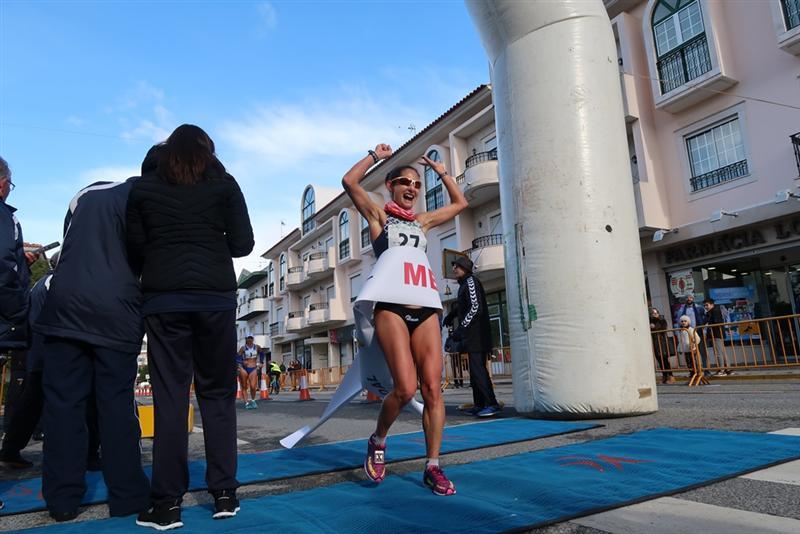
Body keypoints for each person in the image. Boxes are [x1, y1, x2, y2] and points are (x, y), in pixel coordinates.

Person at [127, 125, 254, 529]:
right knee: (217, 395)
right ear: (207, 152)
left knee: (170, 397)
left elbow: (135, 246)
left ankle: (166, 504)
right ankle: (224, 493)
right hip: (214, 298)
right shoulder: (225, 184)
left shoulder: (143, 189)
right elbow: (243, 244)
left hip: (164, 300)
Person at [342, 143, 467, 496]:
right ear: (391, 187)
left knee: (432, 390)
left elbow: (461, 205)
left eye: (415, 184)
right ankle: (378, 439)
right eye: (405, 183)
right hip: (391, 306)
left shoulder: (423, 222)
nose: (412, 188)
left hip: (424, 304)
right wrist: (374, 156)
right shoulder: (379, 217)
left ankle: (433, 466)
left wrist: (440, 172)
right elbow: (349, 182)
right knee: (405, 388)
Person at [35, 172, 153, 521]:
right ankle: (128, 496)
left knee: (63, 406)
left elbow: (69, 247)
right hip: (116, 310)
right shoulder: (142, 194)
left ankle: (61, 500)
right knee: (116, 406)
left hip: (65, 307)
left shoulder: (82, 196)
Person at [444, 256, 501, 417]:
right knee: (474, 372)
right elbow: (464, 306)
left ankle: (492, 404)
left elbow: (476, 308)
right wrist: (452, 315)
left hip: (477, 335)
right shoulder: (463, 285)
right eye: (454, 266)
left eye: (457, 266)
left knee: (478, 370)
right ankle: (479, 404)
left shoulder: (471, 282)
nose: (454, 269)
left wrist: (461, 328)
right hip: (471, 336)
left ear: (466, 268)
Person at [702, 298, 732, 376]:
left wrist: (707, 317)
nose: (705, 307)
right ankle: (727, 369)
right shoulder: (713, 311)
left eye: (707, 305)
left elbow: (715, 322)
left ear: (712, 304)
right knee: (722, 351)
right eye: (704, 305)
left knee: (718, 352)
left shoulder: (714, 311)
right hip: (718, 333)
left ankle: (721, 370)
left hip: (716, 334)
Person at [649, 307, 674, 384]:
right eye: (653, 313)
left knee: (665, 359)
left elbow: (664, 328)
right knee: (659, 360)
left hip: (662, 341)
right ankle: (664, 376)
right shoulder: (650, 321)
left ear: (658, 313)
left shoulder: (662, 320)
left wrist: (654, 327)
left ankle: (671, 376)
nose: (654, 314)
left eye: (656, 313)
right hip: (655, 341)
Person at [238, 335, 261, 409]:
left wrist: (261, 362)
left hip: (253, 368)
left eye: (251, 338)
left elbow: (262, 353)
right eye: (248, 338)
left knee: (253, 386)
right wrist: (242, 362)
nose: (250, 339)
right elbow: (237, 358)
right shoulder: (243, 348)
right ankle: (246, 403)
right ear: (246, 339)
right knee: (244, 386)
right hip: (244, 368)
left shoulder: (257, 347)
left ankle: (253, 400)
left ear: (253, 339)